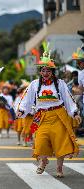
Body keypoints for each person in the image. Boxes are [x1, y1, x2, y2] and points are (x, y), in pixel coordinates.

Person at [17, 43, 81, 177]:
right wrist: (22, 110)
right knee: (40, 142)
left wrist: (74, 113)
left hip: (58, 115)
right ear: (40, 71)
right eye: (43, 70)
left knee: (60, 143)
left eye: (48, 71)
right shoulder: (34, 84)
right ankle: (43, 161)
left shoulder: (60, 84)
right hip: (41, 116)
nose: (46, 73)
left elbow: (68, 99)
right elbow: (27, 99)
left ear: (52, 72)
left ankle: (59, 169)